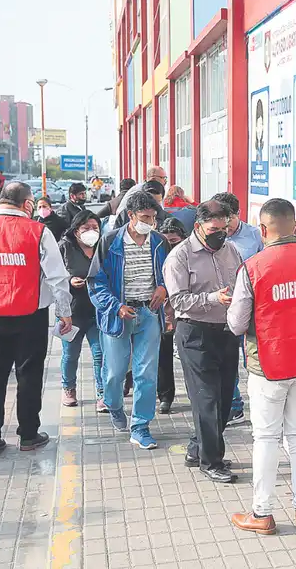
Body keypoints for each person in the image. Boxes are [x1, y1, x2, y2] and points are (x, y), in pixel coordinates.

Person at [227, 199, 296, 534]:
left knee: (266, 437)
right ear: (295, 225)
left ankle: (262, 513)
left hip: (269, 365)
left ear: (263, 229)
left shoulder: (253, 268)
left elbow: (236, 323)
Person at [0, 182, 73, 457]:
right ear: (28, 204)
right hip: (30, 315)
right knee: (29, 374)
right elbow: (57, 277)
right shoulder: (38, 232)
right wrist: (64, 312)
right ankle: (29, 435)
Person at [164, 200, 242, 482]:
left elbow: (241, 283)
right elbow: (178, 300)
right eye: (213, 230)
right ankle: (211, 462)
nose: (220, 234)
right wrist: (213, 298)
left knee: (224, 399)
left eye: (224, 229)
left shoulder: (230, 250)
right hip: (195, 333)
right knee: (206, 399)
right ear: (198, 227)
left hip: (227, 332)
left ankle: (197, 448)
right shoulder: (180, 256)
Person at [88, 191, 170, 450]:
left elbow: (170, 273)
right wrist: (116, 307)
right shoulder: (110, 241)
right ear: (131, 215)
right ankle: (113, 405)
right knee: (115, 372)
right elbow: (96, 282)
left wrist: (164, 287)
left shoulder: (159, 242)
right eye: (145, 217)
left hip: (149, 314)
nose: (150, 222)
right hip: (118, 316)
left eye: (153, 217)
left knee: (146, 373)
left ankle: (140, 426)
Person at [212, 192, 263, 425]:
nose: (225, 225)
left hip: (252, 308)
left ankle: (260, 404)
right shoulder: (212, 235)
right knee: (226, 360)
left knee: (251, 358)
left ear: (238, 214)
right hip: (221, 307)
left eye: (229, 218)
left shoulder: (254, 236)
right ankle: (234, 405)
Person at [58, 210, 105, 410]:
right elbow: (53, 276)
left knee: (100, 353)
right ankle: (68, 388)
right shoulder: (65, 247)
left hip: (98, 310)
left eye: (95, 227)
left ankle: (102, 393)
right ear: (76, 230)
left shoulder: (103, 246)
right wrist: (70, 280)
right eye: (86, 228)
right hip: (72, 312)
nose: (91, 231)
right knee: (70, 354)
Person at [157, 217, 187, 413]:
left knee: (190, 356)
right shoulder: (157, 253)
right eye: (166, 242)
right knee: (163, 354)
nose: (170, 246)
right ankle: (165, 396)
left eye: (174, 241)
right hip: (163, 309)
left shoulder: (189, 254)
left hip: (188, 310)